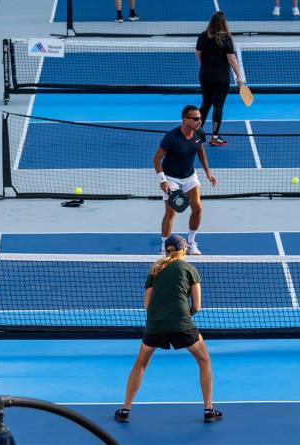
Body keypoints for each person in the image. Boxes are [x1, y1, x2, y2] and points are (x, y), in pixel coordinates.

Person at [114, 235, 222, 423]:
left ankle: (125, 410)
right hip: (182, 324)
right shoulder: (190, 269)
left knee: (140, 364)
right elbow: (196, 306)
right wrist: (182, 317)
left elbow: (147, 305)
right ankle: (208, 410)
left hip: (155, 325)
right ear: (185, 249)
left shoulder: (155, 269)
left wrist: (161, 317)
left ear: (166, 250)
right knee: (204, 361)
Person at [154, 105, 217, 255]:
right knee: (171, 213)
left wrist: (207, 171)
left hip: (189, 176)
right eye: (195, 119)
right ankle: (164, 245)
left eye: (200, 118)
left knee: (198, 208)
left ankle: (191, 242)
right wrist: (162, 180)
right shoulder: (171, 137)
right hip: (171, 178)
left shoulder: (199, 133)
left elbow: (200, 151)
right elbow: (157, 158)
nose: (199, 121)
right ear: (185, 119)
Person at [196, 12, 245, 147]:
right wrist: (239, 76)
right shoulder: (226, 39)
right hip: (221, 78)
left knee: (205, 104)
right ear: (224, 23)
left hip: (205, 76)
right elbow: (232, 59)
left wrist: (207, 66)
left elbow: (198, 55)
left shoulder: (203, 36)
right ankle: (215, 137)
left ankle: (196, 133)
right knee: (218, 106)